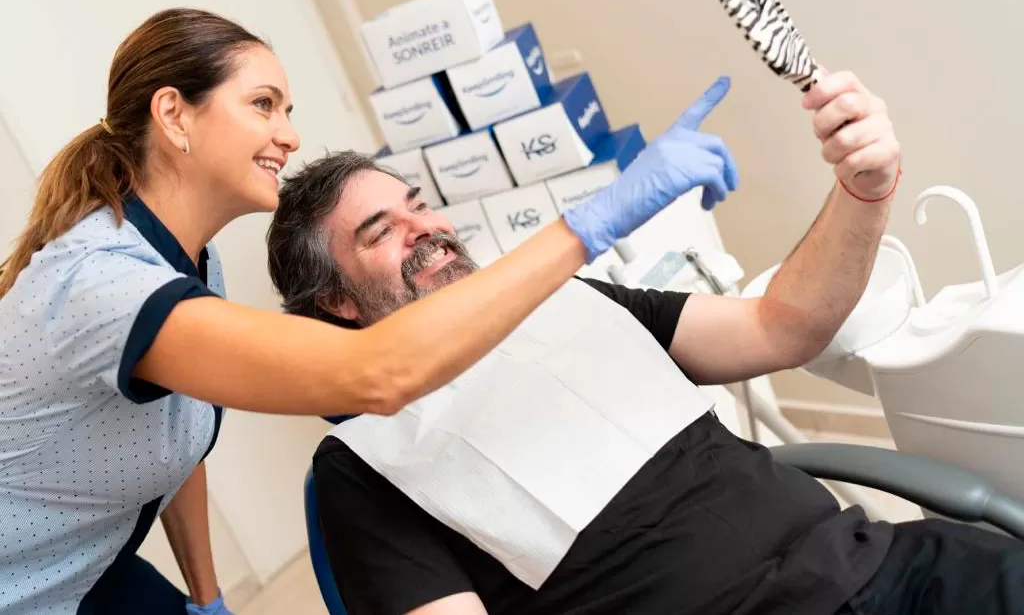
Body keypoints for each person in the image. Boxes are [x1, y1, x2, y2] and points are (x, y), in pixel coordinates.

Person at [0, 8, 738, 615]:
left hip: (89, 566)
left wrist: (206, 595)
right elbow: (376, 372)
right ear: (173, 114)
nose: (289, 134)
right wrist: (590, 224)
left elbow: (171, 433)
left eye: (288, 109)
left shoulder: (190, 261)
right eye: (263, 104)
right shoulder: (102, 286)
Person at [271, 72, 1023, 615]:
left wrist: (863, 189)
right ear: (338, 302)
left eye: (419, 206)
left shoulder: (567, 302)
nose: (425, 230)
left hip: (877, 573)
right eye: (381, 232)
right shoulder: (364, 468)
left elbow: (785, 325)